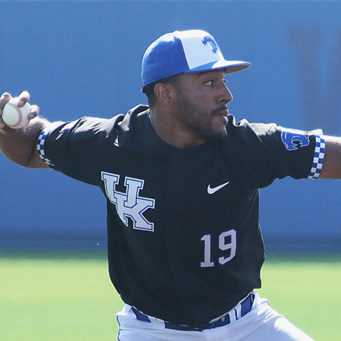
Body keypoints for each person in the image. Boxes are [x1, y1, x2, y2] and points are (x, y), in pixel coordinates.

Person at [0, 29, 340, 341]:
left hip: (247, 324)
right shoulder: (109, 145)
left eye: (223, 81)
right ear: (166, 94)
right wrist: (7, 126)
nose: (226, 94)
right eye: (209, 83)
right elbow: (31, 146)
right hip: (152, 332)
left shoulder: (248, 146)